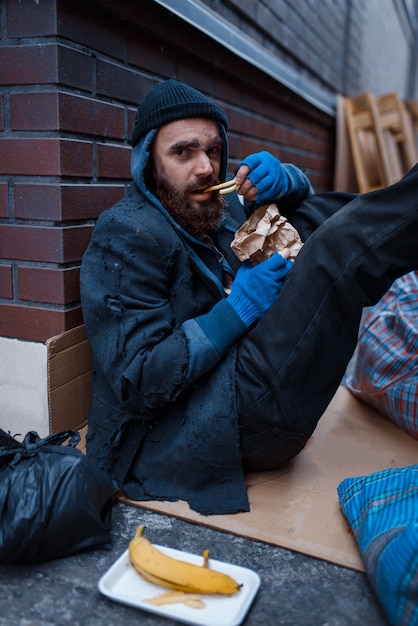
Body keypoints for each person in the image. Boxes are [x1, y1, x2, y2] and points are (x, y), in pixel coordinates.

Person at [80, 79, 418, 515]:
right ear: (149, 164)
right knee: (340, 247)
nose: (205, 168)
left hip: (247, 372)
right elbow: (136, 380)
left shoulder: (209, 205)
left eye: (213, 151)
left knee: (332, 214)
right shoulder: (126, 235)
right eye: (183, 152)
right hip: (217, 421)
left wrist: (287, 179)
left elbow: (299, 208)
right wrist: (236, 311)